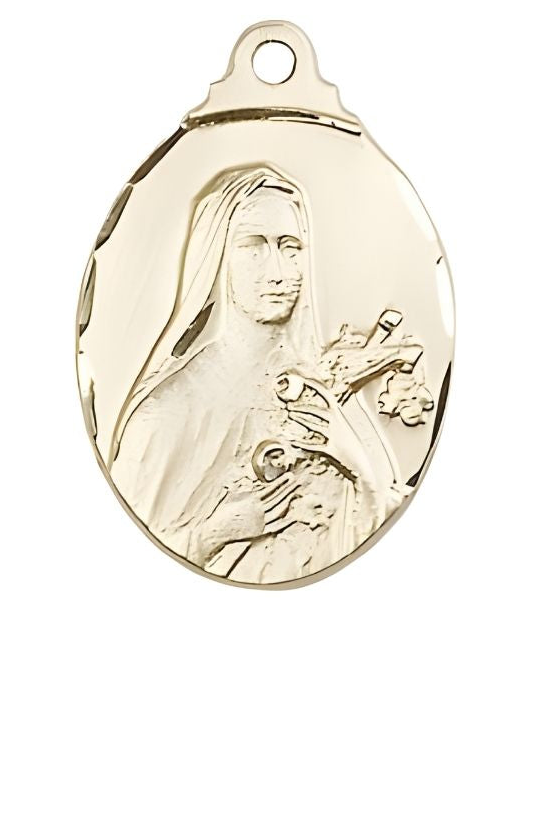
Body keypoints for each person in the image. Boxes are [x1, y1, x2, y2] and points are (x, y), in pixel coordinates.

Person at [110, 165, 402, 583]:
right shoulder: (165, 414)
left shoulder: (323, 391)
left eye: (291, 248)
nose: (278, 273)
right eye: (253, 247)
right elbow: (125, 558)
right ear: (218, 257)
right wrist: (214, 533)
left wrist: (351, 459)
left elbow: (383, 525)